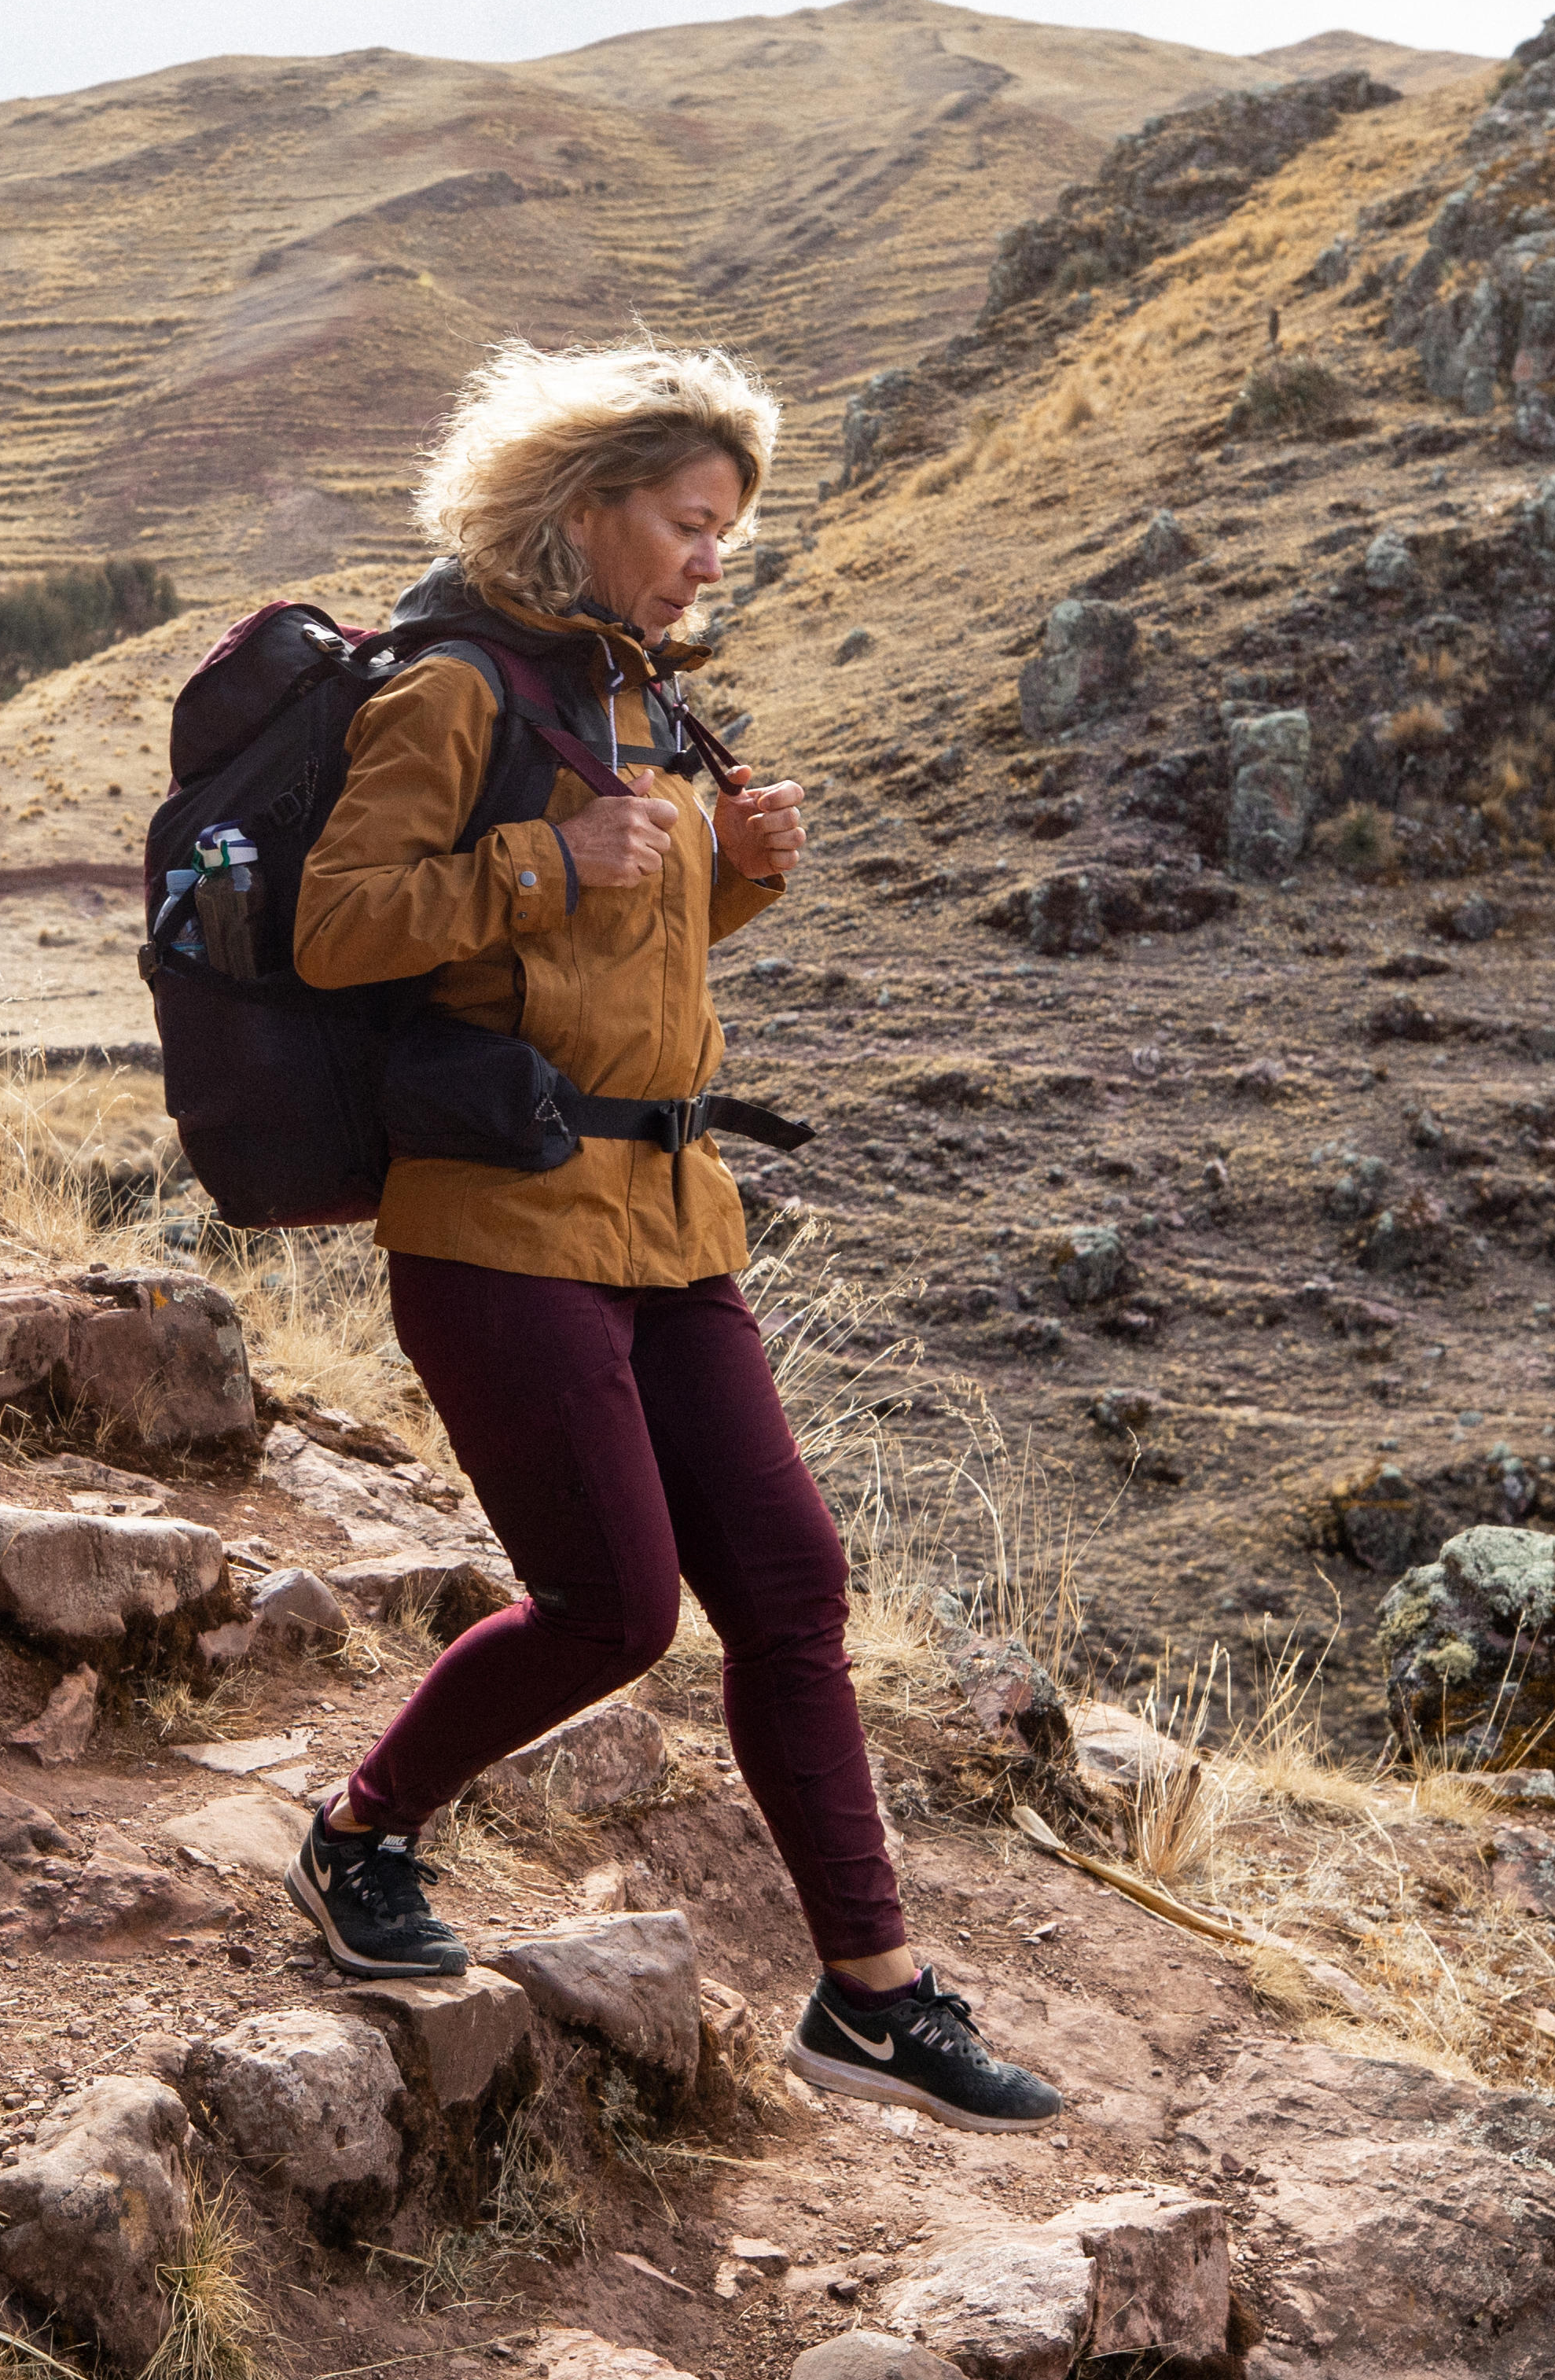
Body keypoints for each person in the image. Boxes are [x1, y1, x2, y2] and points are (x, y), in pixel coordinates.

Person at [279, 340, 1068, 2132]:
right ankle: (358, 1837)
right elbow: (341, 928)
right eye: (692, 523)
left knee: (789, 1592)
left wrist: (742, 869)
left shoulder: (644, 699)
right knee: (616, 1609)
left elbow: (634, 952)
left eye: (730, 530)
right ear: (587, 511)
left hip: (667, 1214)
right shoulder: (454, 695)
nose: (717, 557)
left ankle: (872, 1994)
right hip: (496, 1219)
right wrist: (559, 864)